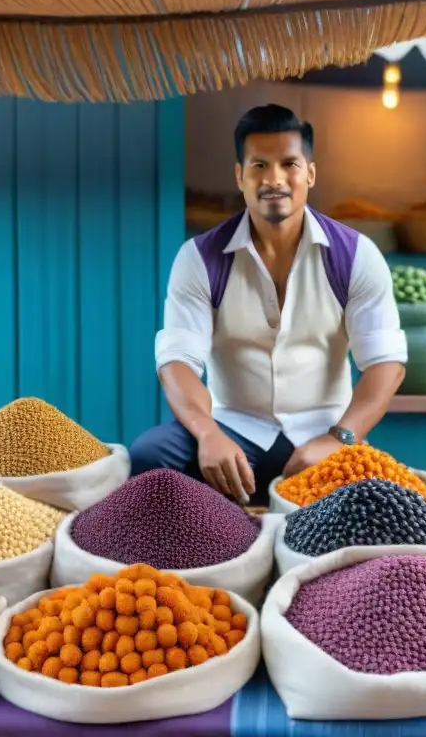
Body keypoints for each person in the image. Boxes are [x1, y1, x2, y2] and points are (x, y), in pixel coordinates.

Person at [129, 104, 406, 504]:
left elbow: (386, 364)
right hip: (233, 431)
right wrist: (208, 433)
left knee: (379, 501)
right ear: (240, 176)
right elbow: (177, 362)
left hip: (324, 433)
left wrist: (340, 437)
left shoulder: (356, 256)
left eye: (289, 164)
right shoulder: (200, 258)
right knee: (149, 456)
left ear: (310, 172)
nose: (273, 179)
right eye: (259, 165)